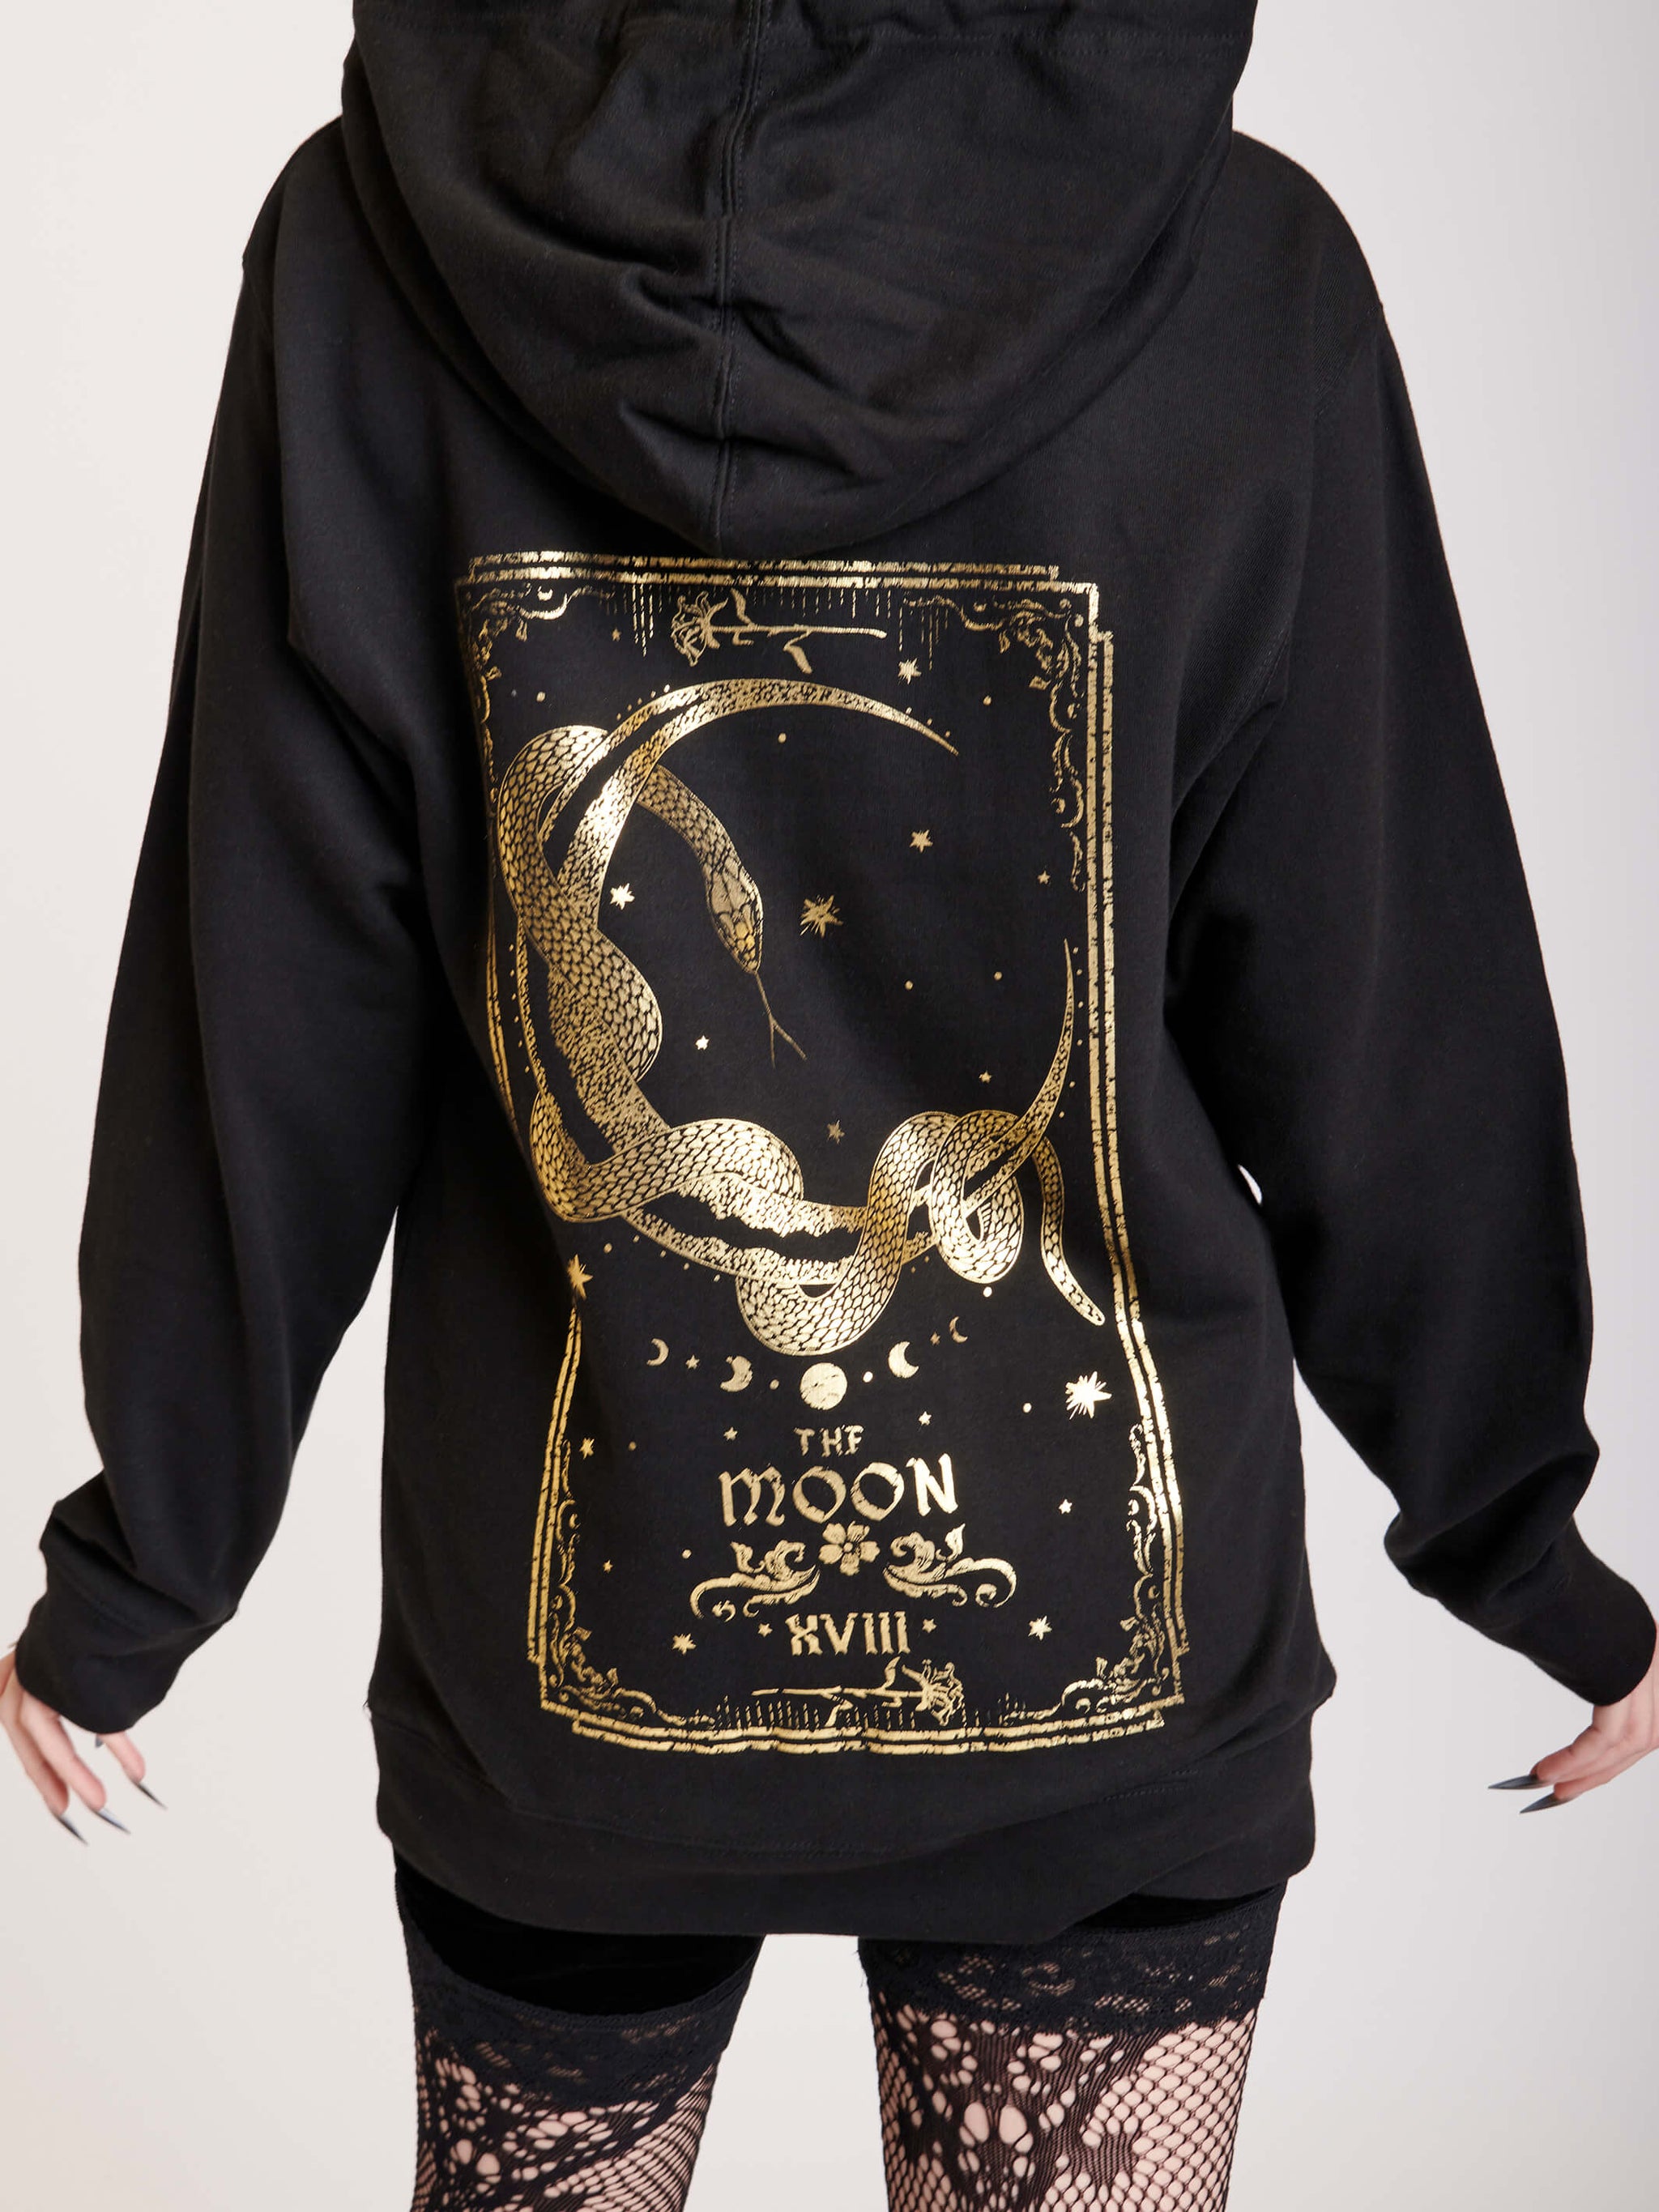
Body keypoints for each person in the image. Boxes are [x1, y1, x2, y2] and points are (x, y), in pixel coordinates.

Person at [5, 2, 1656, 2205]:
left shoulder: (371, 248)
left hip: (575, 1676)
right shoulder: (1242, 262)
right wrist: (1526, 1539)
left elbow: (269, 996)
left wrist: (147, 1560)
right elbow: (1381, 998)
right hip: (1106, 1674)